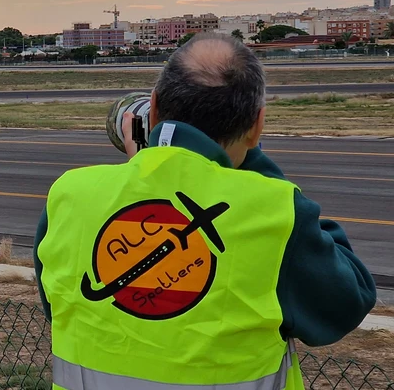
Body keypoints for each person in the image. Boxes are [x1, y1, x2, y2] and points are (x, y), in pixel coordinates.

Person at [35, 33, 377, 390]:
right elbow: (345, 304)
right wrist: (253, 164)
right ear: (257, 124)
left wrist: (150, 165)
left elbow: (61, 307)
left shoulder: (69, 195)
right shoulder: (276, 211)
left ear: (152, 109)